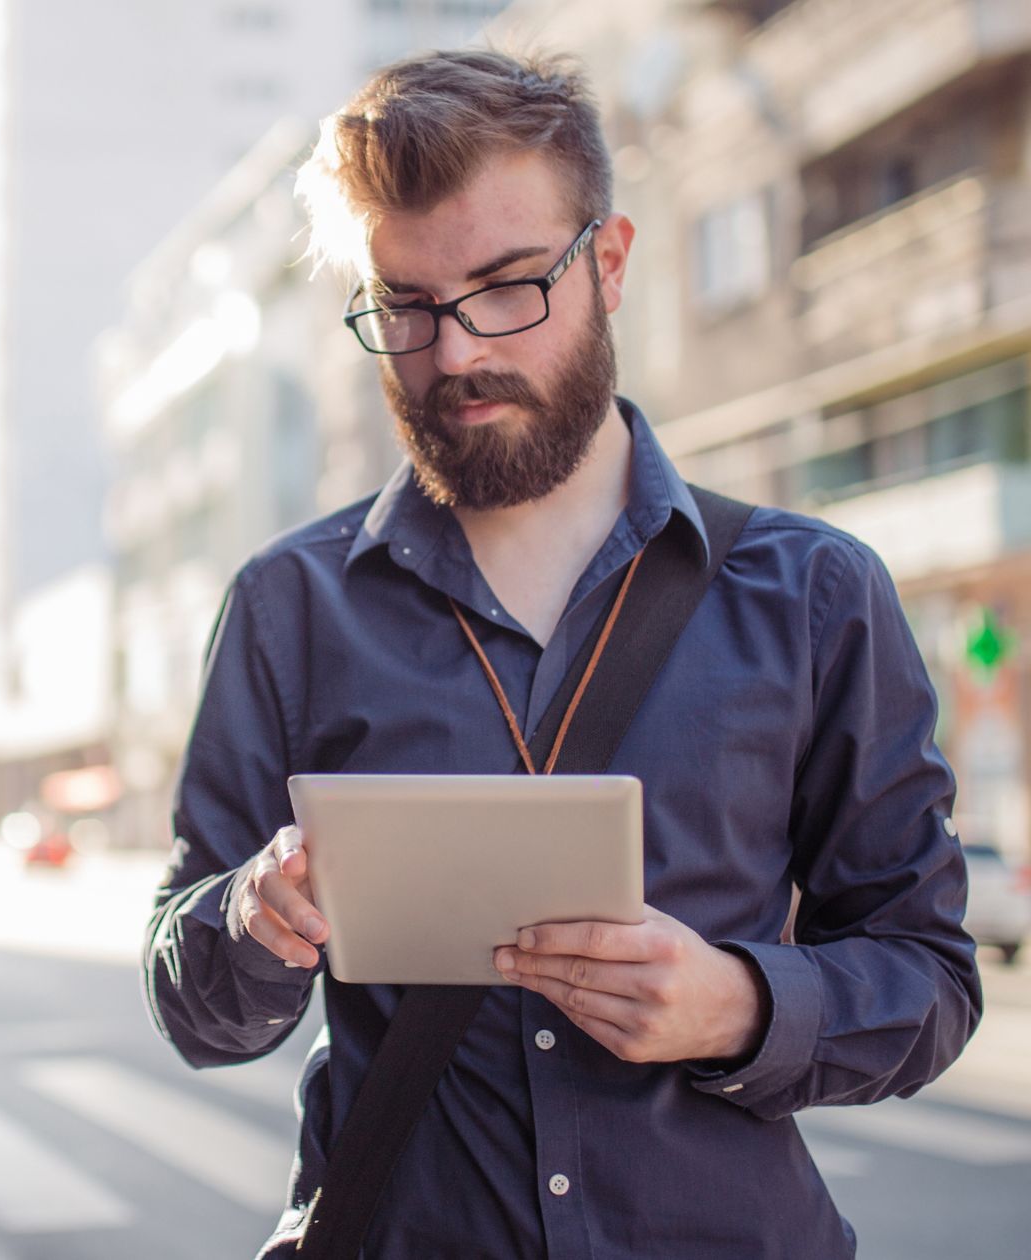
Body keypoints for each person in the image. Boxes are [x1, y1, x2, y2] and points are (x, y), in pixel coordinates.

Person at [141, 49, 982, 1259]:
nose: (455, 352)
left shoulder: (812, 592)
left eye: (506, 286)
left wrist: (738, 1006)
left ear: (611, 262)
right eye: (406, 305)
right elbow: (193, 1013)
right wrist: (250, 919)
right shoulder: (285, 608)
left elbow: (930, 982)